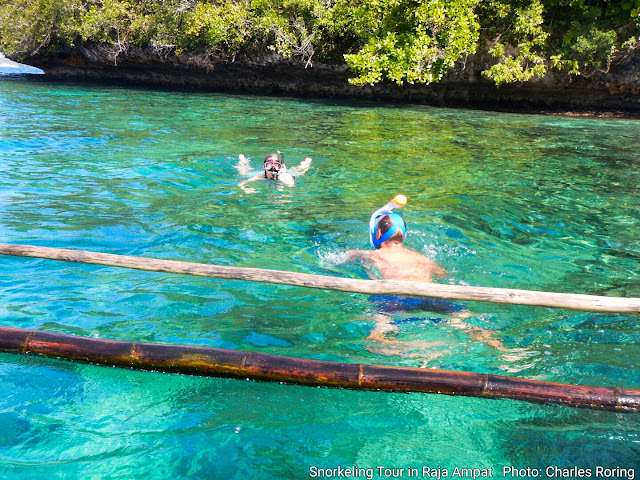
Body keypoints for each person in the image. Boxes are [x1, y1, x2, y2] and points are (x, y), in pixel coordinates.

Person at [341, 197, 506, 360]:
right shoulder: (421, 258)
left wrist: (349, 255)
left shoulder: (373, 256)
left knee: (376, 337)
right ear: (404, 236)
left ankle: (413, 352)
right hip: (430, 295)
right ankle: (502, 350)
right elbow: (444, 274)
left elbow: (345, 257)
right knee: (465, 322)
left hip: (397, 297)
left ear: (377, 233)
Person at [237, 152, 312, 193]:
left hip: (286, 175)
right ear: (264, 167)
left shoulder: (286, 176)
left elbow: (291, 186)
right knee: (244, 173)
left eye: (276, 165)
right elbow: (241, 183)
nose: (273, 168)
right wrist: (245, 189)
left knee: (299, 170)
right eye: (269, 165)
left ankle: (305, 163)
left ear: (280, 167)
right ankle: (243, 162)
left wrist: (281, 179)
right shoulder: (261, 176)